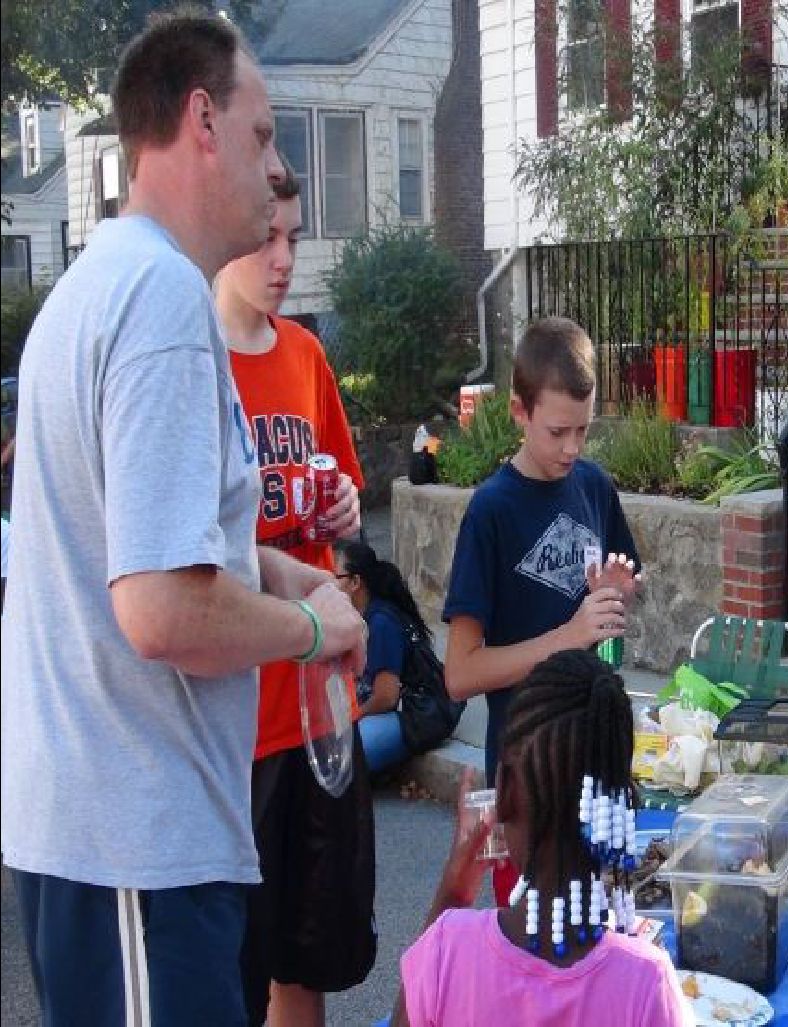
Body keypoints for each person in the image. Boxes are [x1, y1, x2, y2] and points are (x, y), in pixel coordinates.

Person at [0, 13, 366, 1026]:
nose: (276, 166)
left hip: (110, 841)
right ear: (202, 121)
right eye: (262, 135)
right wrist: (313, 627)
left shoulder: (101, 284)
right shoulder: (161, 298)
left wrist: (274, 567)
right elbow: (159, 609)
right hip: (136, 842)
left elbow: (131, 538)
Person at [215, 163, 373, 1027]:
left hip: (318, 706)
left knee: (308, 963)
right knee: (237, 970)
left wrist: (346, 502)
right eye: (268, 237)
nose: (283, 259)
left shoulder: (306, 355)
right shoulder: (195, 362)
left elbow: (339, 487)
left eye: (295, 240)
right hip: (240, 721)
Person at [443, 315, 643, 905]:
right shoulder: (491, 512)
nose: (572, 448)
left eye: (583, 429)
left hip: (595, 765)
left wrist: (619, 590)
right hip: (527, 783)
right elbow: (460, 673)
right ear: (519, 411)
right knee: (533, 941)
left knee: (602, 931)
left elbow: (623, 585)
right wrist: (570, 634)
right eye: (557, 431)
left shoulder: (593, 485)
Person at [392, 649, 693, 1027]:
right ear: (618, 805)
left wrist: (453, 891)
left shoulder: (447, 949)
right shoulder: (646, 983)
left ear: (505, 794)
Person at [334, 540, 434, 775]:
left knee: (343, 760)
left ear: (355, 582)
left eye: (334, 577)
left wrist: (349, 718)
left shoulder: (381, 623)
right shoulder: (362, 617)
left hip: (414, 715)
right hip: (394, 712)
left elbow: (386, 697)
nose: (329, 585)